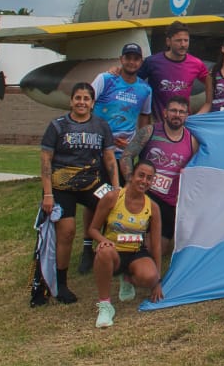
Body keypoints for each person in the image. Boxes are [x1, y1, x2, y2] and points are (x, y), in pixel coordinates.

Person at [39, 83, 120, 304]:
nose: (82, 102)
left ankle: (114, 259)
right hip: (62, 186)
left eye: (86, 98)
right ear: (71, 101)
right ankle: (61, 283)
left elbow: (110, 159)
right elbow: (45, 161)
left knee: (114, 210)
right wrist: (48, 194)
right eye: (78, 98)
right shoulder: (57, 126)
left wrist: (116, 187)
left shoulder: (101, 126)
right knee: (66, 232)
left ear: (93, 103)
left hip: (92, 183)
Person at [82, 43, 154, 271]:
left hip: (124, 157)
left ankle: (114, 248)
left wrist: (136, 146)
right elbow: (87, 107)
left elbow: (144, 120)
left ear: (140, 63)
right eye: (128, 58)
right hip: (99, 154)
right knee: (95, 199)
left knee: (118, 201)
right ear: (121, 59)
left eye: (136, 59)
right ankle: (87, 245)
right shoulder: (105, 80)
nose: (131, 62)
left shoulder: (145, 90)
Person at [88, 162, 164, 328]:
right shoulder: (113, 197)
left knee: (149, 277)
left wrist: (157, 281)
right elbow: (92, 229)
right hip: (113, 251)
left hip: (136, 252)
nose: (144, 181)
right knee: (104, 252)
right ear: (131, 176)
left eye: (149, 178)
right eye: (141, 175)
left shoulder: (153, 207)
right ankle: (105, 306)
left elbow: (156, 246)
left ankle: (127, 278)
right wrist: (103, 240)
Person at [137, 96, 200, 268]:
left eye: (181, 112)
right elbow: (127, 156)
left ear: (187, 115)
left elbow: (194, 172)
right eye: (173, 110)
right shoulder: (150, 131)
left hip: (170, 202)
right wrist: (131, 185)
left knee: (160, 249)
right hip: (146, 195)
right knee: (135, 242)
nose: (177, 115)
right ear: (165, 113)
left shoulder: (191, 140)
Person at [138, 22, 212, 116]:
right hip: (158, 123)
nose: (183, 44)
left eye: (186, 40)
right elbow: (131, 80)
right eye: (178, 40)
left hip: (183, 123)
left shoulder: (196, 64)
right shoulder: (152, 62)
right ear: (168, 41)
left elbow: (215, 82)